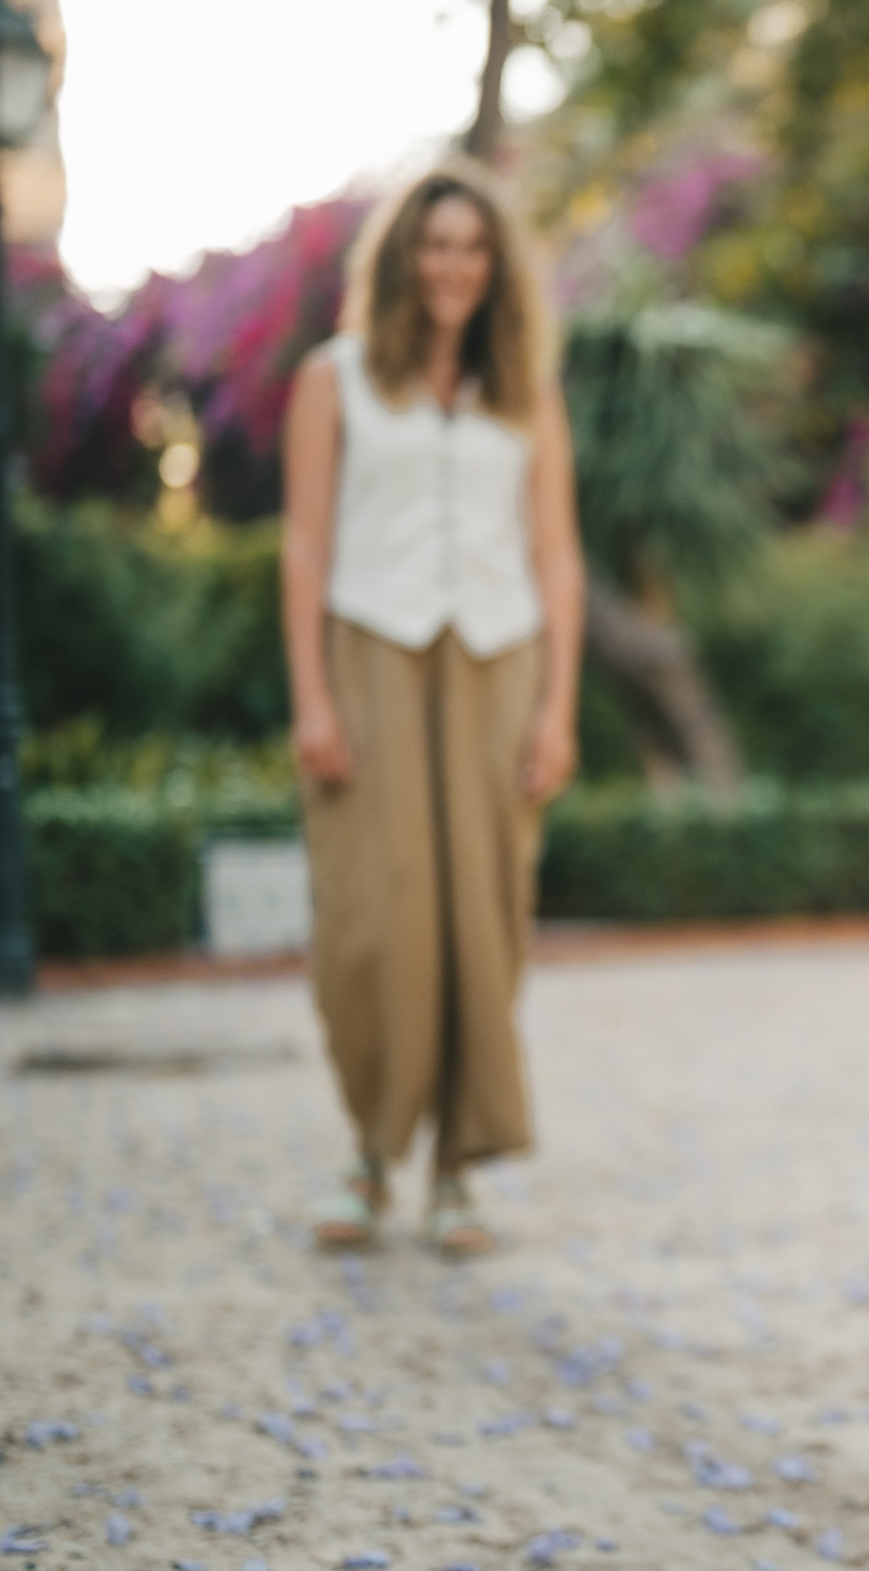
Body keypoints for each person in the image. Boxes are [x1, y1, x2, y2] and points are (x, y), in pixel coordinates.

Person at [279, 165, 585, 1256]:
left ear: (496, 266)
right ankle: (371, 1154)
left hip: (497, 661)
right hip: (373, 651)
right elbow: (307, 542)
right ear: (404, 256)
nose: (453, 264)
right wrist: (312, 694)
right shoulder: (338, 379)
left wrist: (558, 708)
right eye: (435, 244)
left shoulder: (526, 392)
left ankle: (459, 1168)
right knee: (373, 917)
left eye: (473, 246)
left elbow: (557, 558)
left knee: (481, 913)